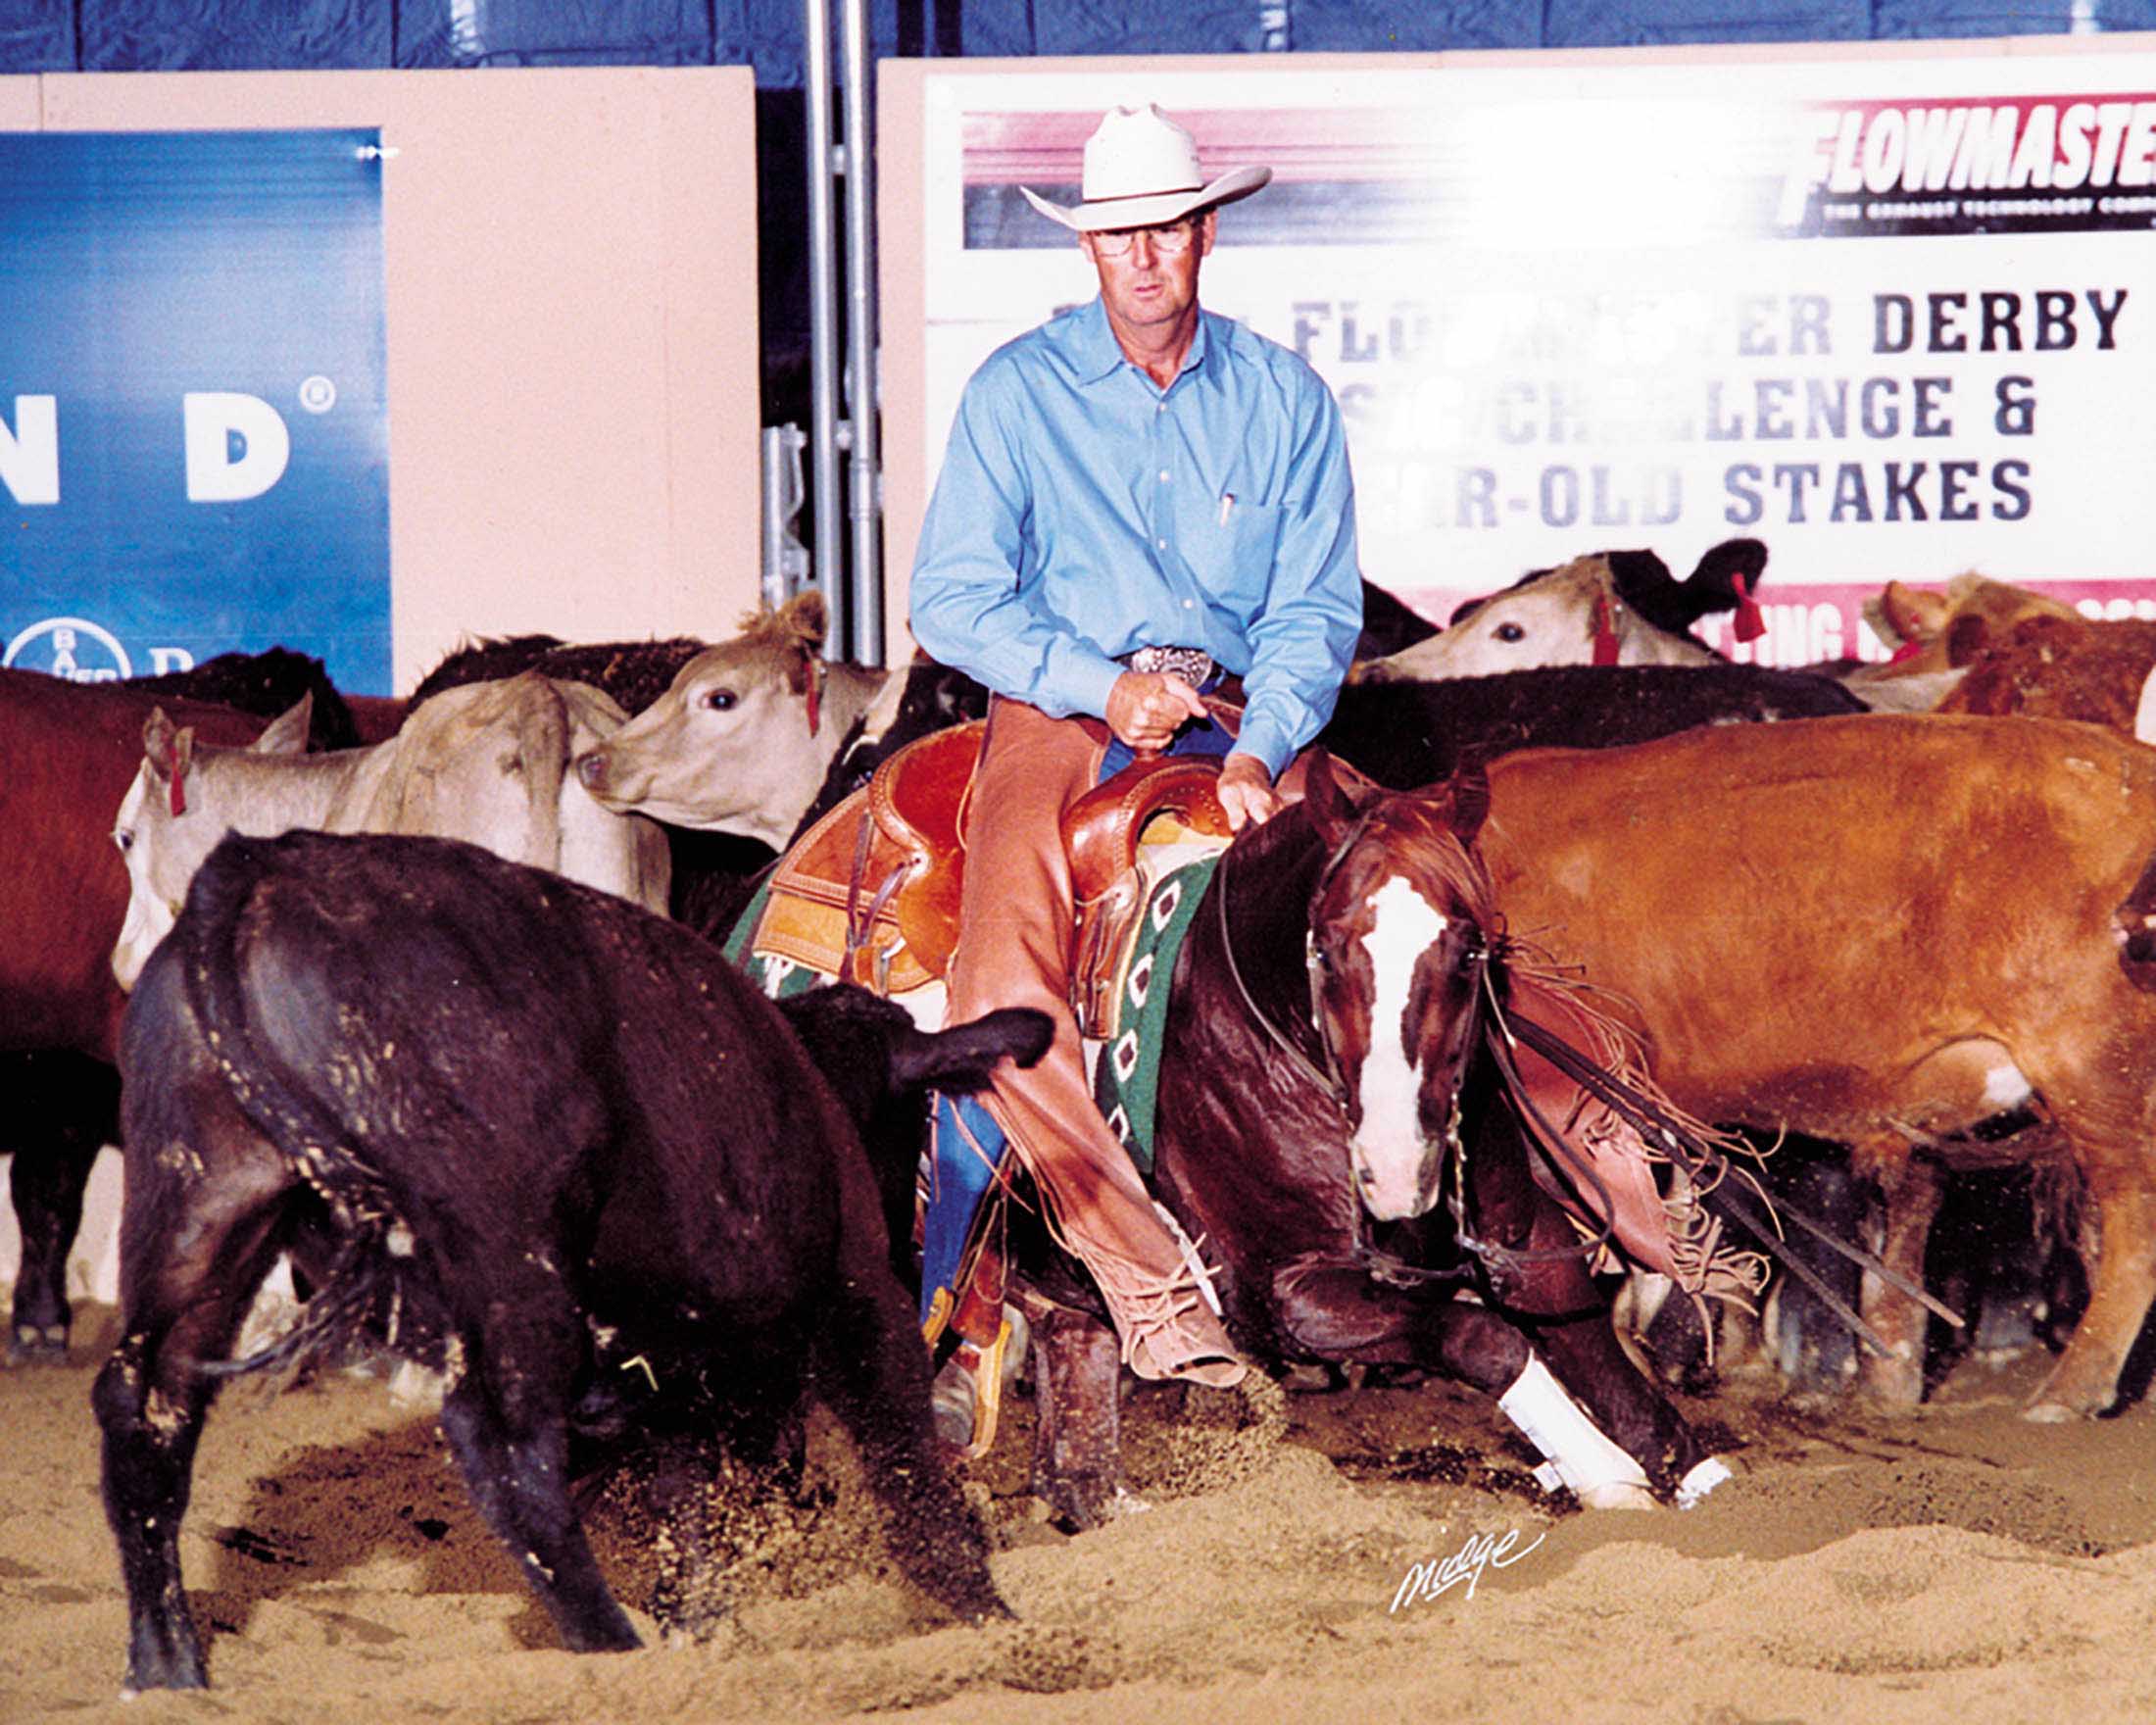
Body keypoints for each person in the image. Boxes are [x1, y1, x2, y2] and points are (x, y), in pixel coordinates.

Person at [908, 102, 1363, 1390]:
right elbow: (948, 601)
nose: (1145, 256)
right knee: (1000, 968)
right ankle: (1150, 1288)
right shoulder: (1017, 391)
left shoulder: (1285, 399)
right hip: (1059, 707)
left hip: (1239, 710)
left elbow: (1314, 610)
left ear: (1205, 231)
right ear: (1090, 251)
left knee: (1408, 902)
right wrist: (1095, 689)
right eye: (1119, 236)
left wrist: (1262, 744)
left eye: (1165, 227)